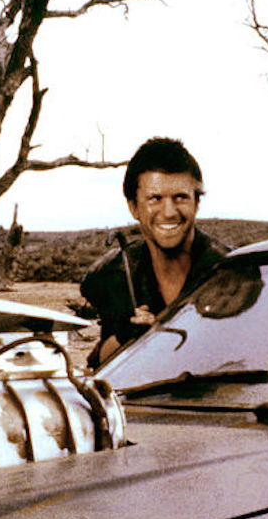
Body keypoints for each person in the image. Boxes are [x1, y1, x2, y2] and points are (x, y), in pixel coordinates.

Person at [81, 137, 228, 367]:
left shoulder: (234, 272)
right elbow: (103, 364)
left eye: (180, 197)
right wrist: (126, 336)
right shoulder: (114, 275)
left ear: (196, 203)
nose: (169, 212)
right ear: (134, 207)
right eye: (155, 199)